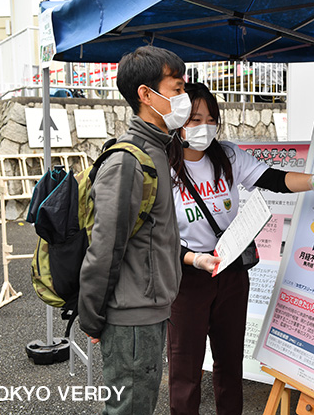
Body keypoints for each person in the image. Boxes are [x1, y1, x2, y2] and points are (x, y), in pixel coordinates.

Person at [166, 82, 314, 415]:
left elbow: (274, 179)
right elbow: (155, 236)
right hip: (187, 278)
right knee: (185, 369)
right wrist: (193, 259)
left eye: (211, 119)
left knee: (229, 361)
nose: (204, 128)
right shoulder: (162, 166)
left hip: (230, 273)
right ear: (178, 120)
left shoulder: (226, 155)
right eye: (195, 119)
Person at [77, 46, 187, 415]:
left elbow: (153, 234)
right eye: (176, 89)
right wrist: (91, 317)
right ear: (146, 94)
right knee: (130, 408)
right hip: (131, 317)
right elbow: (104, 248)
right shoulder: (129, 160)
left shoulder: (157, 149)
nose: (183, 98)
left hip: (147, 309)